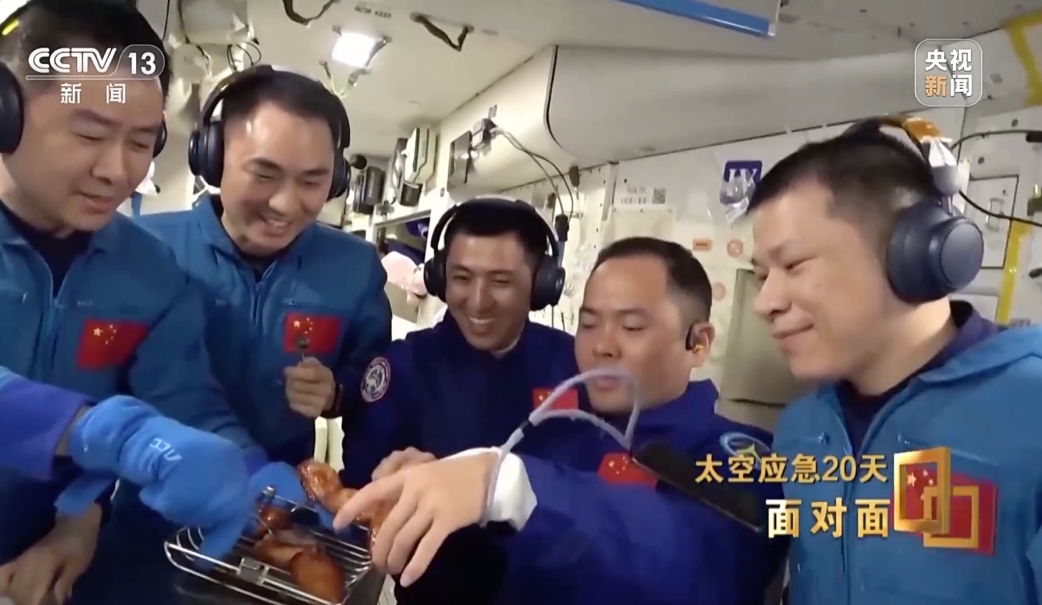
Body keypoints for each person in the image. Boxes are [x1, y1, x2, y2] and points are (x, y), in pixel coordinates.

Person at [0, 1, 272, 603]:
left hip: (47, 553)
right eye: (89, 134)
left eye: (141, 142)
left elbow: (184, 401)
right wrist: (94, 429)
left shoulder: (149, 270)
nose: (117, 170)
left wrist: (254, 476)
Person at [80, 67, 392, 603]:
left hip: (281, 518)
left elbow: (378, 383)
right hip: (152, 513)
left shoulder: (354, 267)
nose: (286, 204)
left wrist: (338, 392)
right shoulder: (141, 249)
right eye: (264, 174)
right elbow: (86, 390)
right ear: (212, 157)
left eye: (312, 181)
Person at [335, 236, 784, 605]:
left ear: (698, 343)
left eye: (631, 327)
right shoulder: (558, 433)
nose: (602, 346)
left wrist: (513, 486)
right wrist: (432, 489)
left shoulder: (747, 459)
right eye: (589, 324)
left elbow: (705, 564)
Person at [746, 117, 1042, 605]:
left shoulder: (1031, 408)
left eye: (793, 265)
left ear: (912, 251)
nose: (765, 302)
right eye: (762, 276)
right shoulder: (804, 426)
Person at [340, 197, 577, 604]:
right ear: (438, 278)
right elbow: (361, 488)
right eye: (462, 278)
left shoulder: (576, 367)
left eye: (500, 281)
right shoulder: (404, 366)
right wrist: (394, 483)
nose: (478, 300)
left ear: (541, 284)